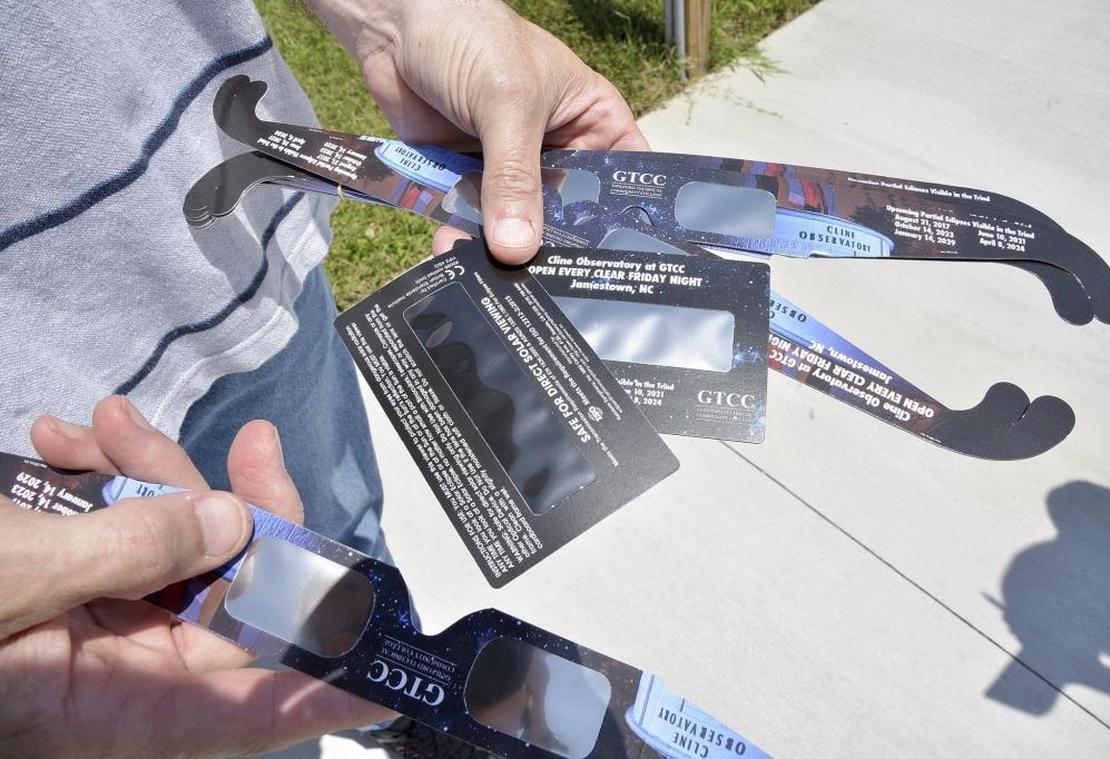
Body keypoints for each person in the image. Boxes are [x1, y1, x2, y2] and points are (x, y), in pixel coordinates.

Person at [0, 0, 647, 755]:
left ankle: (394, 708)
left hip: (247, 278)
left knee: (344, 559)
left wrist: (398, 18)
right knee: (219, 700)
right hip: (32, 444)